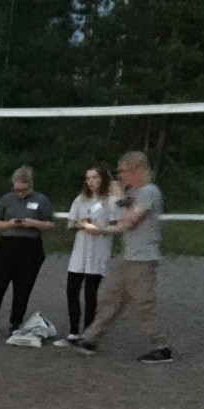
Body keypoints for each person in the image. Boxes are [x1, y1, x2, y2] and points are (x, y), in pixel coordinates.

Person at [72, 151, 173, 363]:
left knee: (144, 304)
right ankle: (90, 339)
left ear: (137, 170)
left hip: (142, 259)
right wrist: (99, 229)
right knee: (111, 299)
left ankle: (161, 346)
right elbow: (121, 224)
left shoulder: (149, 192)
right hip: (127, 257)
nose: (120, 176)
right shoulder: (132, 194)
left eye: (123, 171)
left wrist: (119, 198)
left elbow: (131, 221)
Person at [0, 166, 54, 339]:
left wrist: (34, 223)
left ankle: (16, 322)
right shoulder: (6, 199)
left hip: (30, 247)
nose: (20, 193)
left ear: (30, 185)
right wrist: (9, 224)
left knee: (23, 288)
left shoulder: (41, 200)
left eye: (23, 190)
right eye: (17, 189)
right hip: (7, 245)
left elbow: (50, 223)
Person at [57, 164, 121, 344]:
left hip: (98, 250)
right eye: (88, 178)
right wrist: (80, 225)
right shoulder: (81, 200)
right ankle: (73, 331)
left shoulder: (110, 201)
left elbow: (117, 225)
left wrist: (100, 229)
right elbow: (70, 224)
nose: (91, 181)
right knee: (72, 290)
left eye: (95, 177)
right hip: (80, 251)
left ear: (102, 179)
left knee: (90, 294)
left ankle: (88, 333)